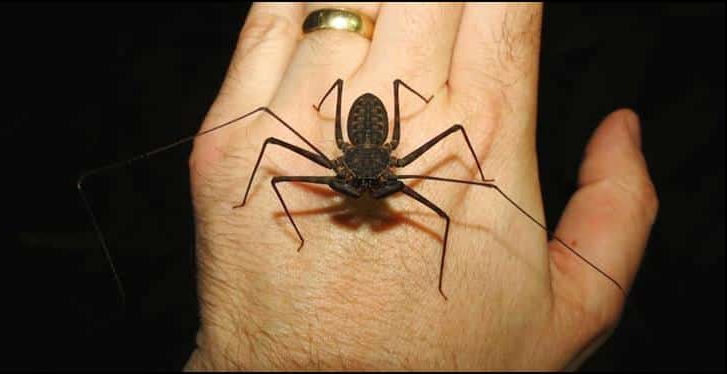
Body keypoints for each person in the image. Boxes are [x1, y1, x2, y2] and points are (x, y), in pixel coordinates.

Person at [183, 3, 658, 370]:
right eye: (355, 179)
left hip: (366, 134)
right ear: (342, 160)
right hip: (360, 132)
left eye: (374, 179)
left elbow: (453, 146)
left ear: (392, 159)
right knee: (279, 161)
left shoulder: (386, 161)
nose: (366, 187)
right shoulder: (350, 163)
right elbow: (278, 168)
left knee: (444, 203)